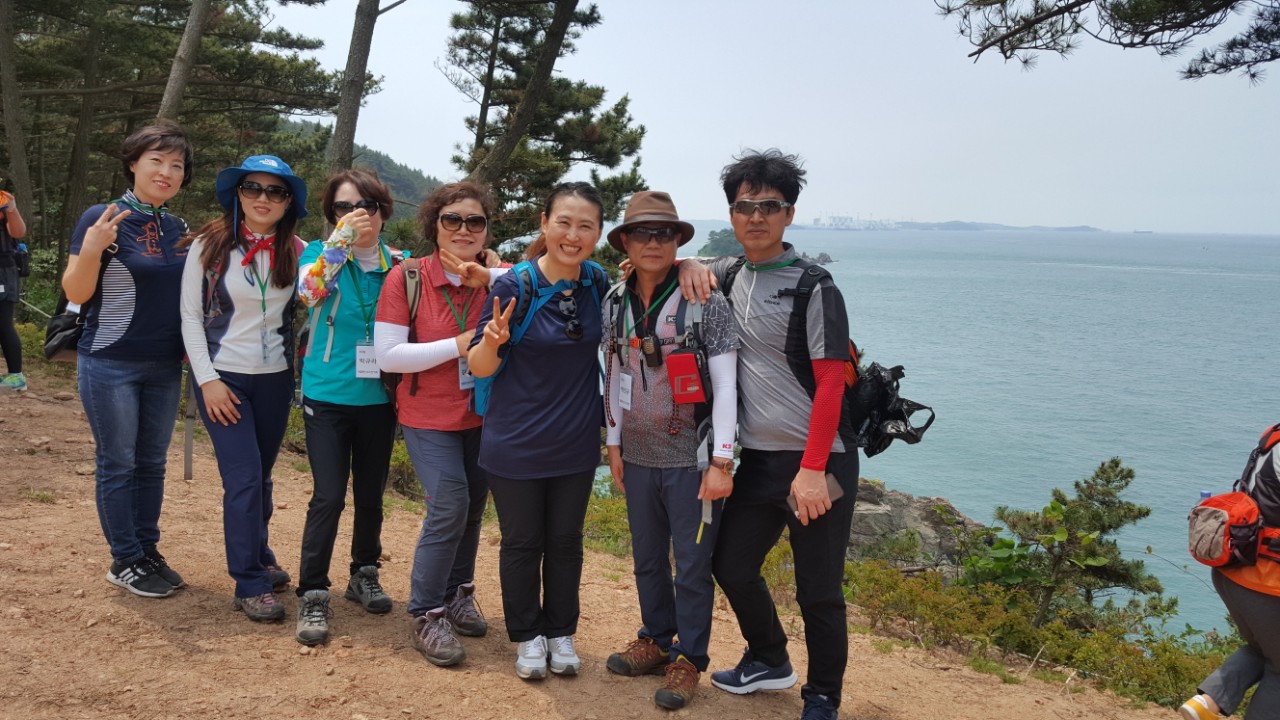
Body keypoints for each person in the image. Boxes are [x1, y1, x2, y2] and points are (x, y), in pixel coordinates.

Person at [679, 149, 857, 720]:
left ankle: (822, 696)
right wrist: (686, 262)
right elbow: (670, 268)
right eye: (744, 206)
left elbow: (830, 384)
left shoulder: (814, 285)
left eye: (770, 206)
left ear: (789, 214)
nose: (756, 216)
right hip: (756, 458)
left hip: (818, 462)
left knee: (818, 589)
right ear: (731, 214)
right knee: (730, 565)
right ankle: (769, 657)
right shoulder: (728, 274)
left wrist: (813, 469)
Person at [601, 191, 739, 709]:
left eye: (664, 233)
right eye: (641, 233)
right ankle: (657, 639)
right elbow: (613, 372)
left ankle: (689, 658)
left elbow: (726, 384)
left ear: (678, 241)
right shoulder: (614, 301)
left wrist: (722, 460)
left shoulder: (705, 301)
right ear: (626, 242)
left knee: (693, 564)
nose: (653, 242)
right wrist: (613, 443)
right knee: (647, 558)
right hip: (637, 453)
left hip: (692, 459)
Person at [467, 181, 608, 681]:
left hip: (575, 439)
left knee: (566, 541)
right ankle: (528, 635)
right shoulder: (514, 286)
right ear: (544, 223)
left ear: (598, 233)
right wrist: (491, 340)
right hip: (516, 441)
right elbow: (480, 366)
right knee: (523, 542)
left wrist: (691, 264)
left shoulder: (596, 281)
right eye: (563, 222)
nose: (573, 235)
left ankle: (561, 631)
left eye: (585, 226)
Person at [61, 122, 194, 599]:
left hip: (164, 364)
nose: (166, 172)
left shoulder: (177, 228)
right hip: (110, 362)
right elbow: (76, 292)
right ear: (133, 163)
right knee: (118, 462)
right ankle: (125, 559)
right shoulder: (102, 217)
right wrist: (92, 250)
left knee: (152, 463)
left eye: (176, 165)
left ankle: (146, 550)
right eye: (156, 160)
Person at [374, 181, 499, 667]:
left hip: (484, 414)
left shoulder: (497, 277)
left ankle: (458, 591)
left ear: (486, 229)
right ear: (435, 225)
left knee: (472, 508)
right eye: (452, 219)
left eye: (475, 221)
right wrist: (459, 344)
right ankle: (426, 613)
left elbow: (550, 275)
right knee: (449, 503)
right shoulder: (406, 278)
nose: (464, 229)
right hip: (427, 414)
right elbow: (389, 355)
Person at [180, 154, 306, 622]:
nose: (262, 198)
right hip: (223, 376)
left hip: (275, 378)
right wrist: (207, 381)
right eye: (252, 187)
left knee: (262, 475)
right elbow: (190, 318)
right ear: (237, 193)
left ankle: (260, 553)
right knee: (244, 478)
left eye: (275, 191)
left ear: (288, 202)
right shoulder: (209, 246)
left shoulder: (299, 251)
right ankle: (250, 582)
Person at [291, 169, 400, 645]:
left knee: (371, 494)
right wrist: (340, 241)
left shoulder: (400, 266)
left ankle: (364, 572)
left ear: (383, 212)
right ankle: (314, 591)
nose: (357, 215)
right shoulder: (319, 255)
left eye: (367, 206)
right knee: (329, 495)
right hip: (327, 395)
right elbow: (309, 294)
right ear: (331, 214)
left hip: (380, 398)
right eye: (343, 207)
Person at [1180, 424, 1280, 720]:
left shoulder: (1274, 437)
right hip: (1267, 583)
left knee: (1263, 649)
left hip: (1234, 571)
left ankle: (1206, 703)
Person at [0, 187, 30, 392]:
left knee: (3, 323)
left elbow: (18, 232)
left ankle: (16, 376)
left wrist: (11, 209)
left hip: (3, 269)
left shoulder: (3, 200)